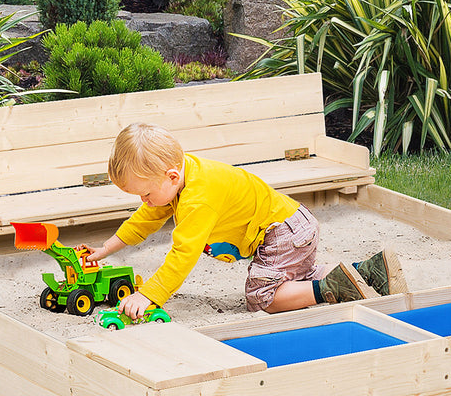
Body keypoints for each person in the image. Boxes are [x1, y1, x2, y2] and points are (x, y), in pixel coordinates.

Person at [83, 122, 408, 319]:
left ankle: (331, 288)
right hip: (293, 226)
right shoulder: (181, 176)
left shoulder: (198, 199)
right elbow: (144, 220)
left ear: (170, 176)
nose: (144, 201)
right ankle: (367, 274)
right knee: (294, 277)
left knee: (261, 298)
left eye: (145, 194)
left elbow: (183, 255)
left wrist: (149, 294)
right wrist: (106, 249)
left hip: (282, 233)